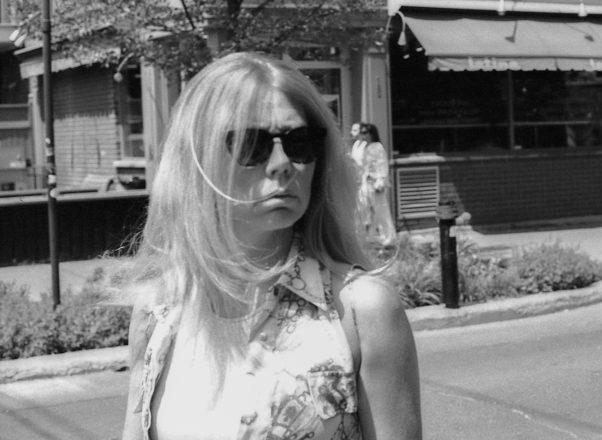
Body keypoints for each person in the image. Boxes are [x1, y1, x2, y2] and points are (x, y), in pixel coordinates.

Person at [119, 52, 421, 440]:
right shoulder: (158, 309)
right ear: (197, 159)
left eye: (299, 142)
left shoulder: (362, 311)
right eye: (251, 144)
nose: (281, 163)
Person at [350, 123, 396, 246]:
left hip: (376, 183)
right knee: (364, 210)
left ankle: (389, 237)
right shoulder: (366, 146)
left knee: (381, 210)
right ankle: (371, 236)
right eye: (362, 133)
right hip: (366, 183)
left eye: (365, 133)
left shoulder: (377, 147)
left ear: (371, 134)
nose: (363, 136)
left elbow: (382, 165)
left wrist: (380, 181)